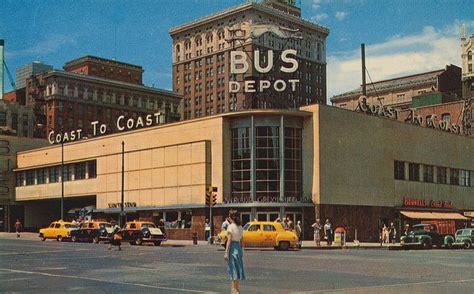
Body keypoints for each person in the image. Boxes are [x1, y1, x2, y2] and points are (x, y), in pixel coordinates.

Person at [224, 210, 245, 293]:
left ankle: (234, 291)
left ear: (231, 217)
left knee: (233, 271)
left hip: (232, 249)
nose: (228, 217)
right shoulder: (240, 227)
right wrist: (242, 251)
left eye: (229, 216)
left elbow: (229, 240)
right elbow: (242, 241)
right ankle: (237, 290)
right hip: (238, 249)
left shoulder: (230, 227)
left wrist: (226, 252)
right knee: (237, 270)